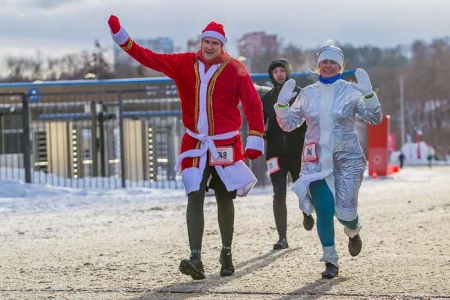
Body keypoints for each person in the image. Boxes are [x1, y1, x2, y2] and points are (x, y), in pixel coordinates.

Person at [108, 16, 265, 280]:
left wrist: (256, 138)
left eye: (215, 43)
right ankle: (195, 257)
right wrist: (123, 39)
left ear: (222, 45)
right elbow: (150, 58)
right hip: (194, 143)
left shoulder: (235, 68)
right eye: (206, 41)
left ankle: (226, 252)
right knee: (194, 194)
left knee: (225, 198)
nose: (210, 47)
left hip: (225, 143)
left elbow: (253, 103)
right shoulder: (184, 63)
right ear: (200, 42)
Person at [274, 44, 383, 278]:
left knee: (345, 213)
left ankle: (353, 231)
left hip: (347, 159)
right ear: (318, 65)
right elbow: (288, 124)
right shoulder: (308, 93)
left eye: (333, 62)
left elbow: (375, 118)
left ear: (340, 66)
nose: (328, 65)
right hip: (315, 160)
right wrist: (282, 105)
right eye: (324, 62)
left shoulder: (352, 91)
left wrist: (369, 94)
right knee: (324, 209)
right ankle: (330, 261)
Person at [261, 59, 314, 250]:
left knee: (303, 188)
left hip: (297, 152)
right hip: (275, 154)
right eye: (275, 71)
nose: (279, 74)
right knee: (278, 194)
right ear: (271, 75)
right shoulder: (267, 98)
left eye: (282, 70)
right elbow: (260, 123)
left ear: (288, 72)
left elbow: (310, 121)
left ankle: (307, 212)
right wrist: (262, 137)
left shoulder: (300, 94)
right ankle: (282, 237)